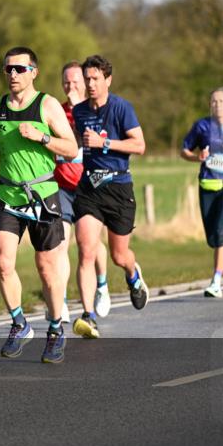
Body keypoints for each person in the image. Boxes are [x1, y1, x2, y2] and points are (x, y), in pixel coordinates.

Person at [0, 47, 79, 364]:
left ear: (33, 72)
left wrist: (42, 138)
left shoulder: (47, 105)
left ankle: (54, 329)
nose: (13, 75)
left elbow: (71, 147)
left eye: (20, 69)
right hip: (9, 195)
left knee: (47, 270)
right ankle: (19, 323)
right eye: (8, 69)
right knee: (3, 263)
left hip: (42, 196)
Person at [71, 55, 149, 340]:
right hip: (90, 189)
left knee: (118, 255)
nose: (90, 84)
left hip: (118, 188)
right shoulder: (79, 112)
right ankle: (89, 315)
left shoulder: (121, 108)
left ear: (107, 80)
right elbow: (73, 145)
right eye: (87, 79)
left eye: (95, 79)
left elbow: (139, 145)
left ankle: (133, 276)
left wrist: (104, 143)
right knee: (86, 249)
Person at [54, 62, 110, 320]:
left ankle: (101, 284)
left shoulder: (94, 110)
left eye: (75, 81)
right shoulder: (56, 111)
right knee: (61, 246)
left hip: (90, 185)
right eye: (66, 82)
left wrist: (78, 109)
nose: (70, 86)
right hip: (63, 186)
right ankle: (62, 301)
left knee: (90, 245)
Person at [181, 88, 223, 298]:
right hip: (207, 185)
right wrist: (197, 157)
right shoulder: (202, 126)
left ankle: (216, 282)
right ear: (210, 105)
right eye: (213, 102)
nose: (217, 105)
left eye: (221, 101)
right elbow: (184, 150)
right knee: (212, 238)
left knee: (220, 230)